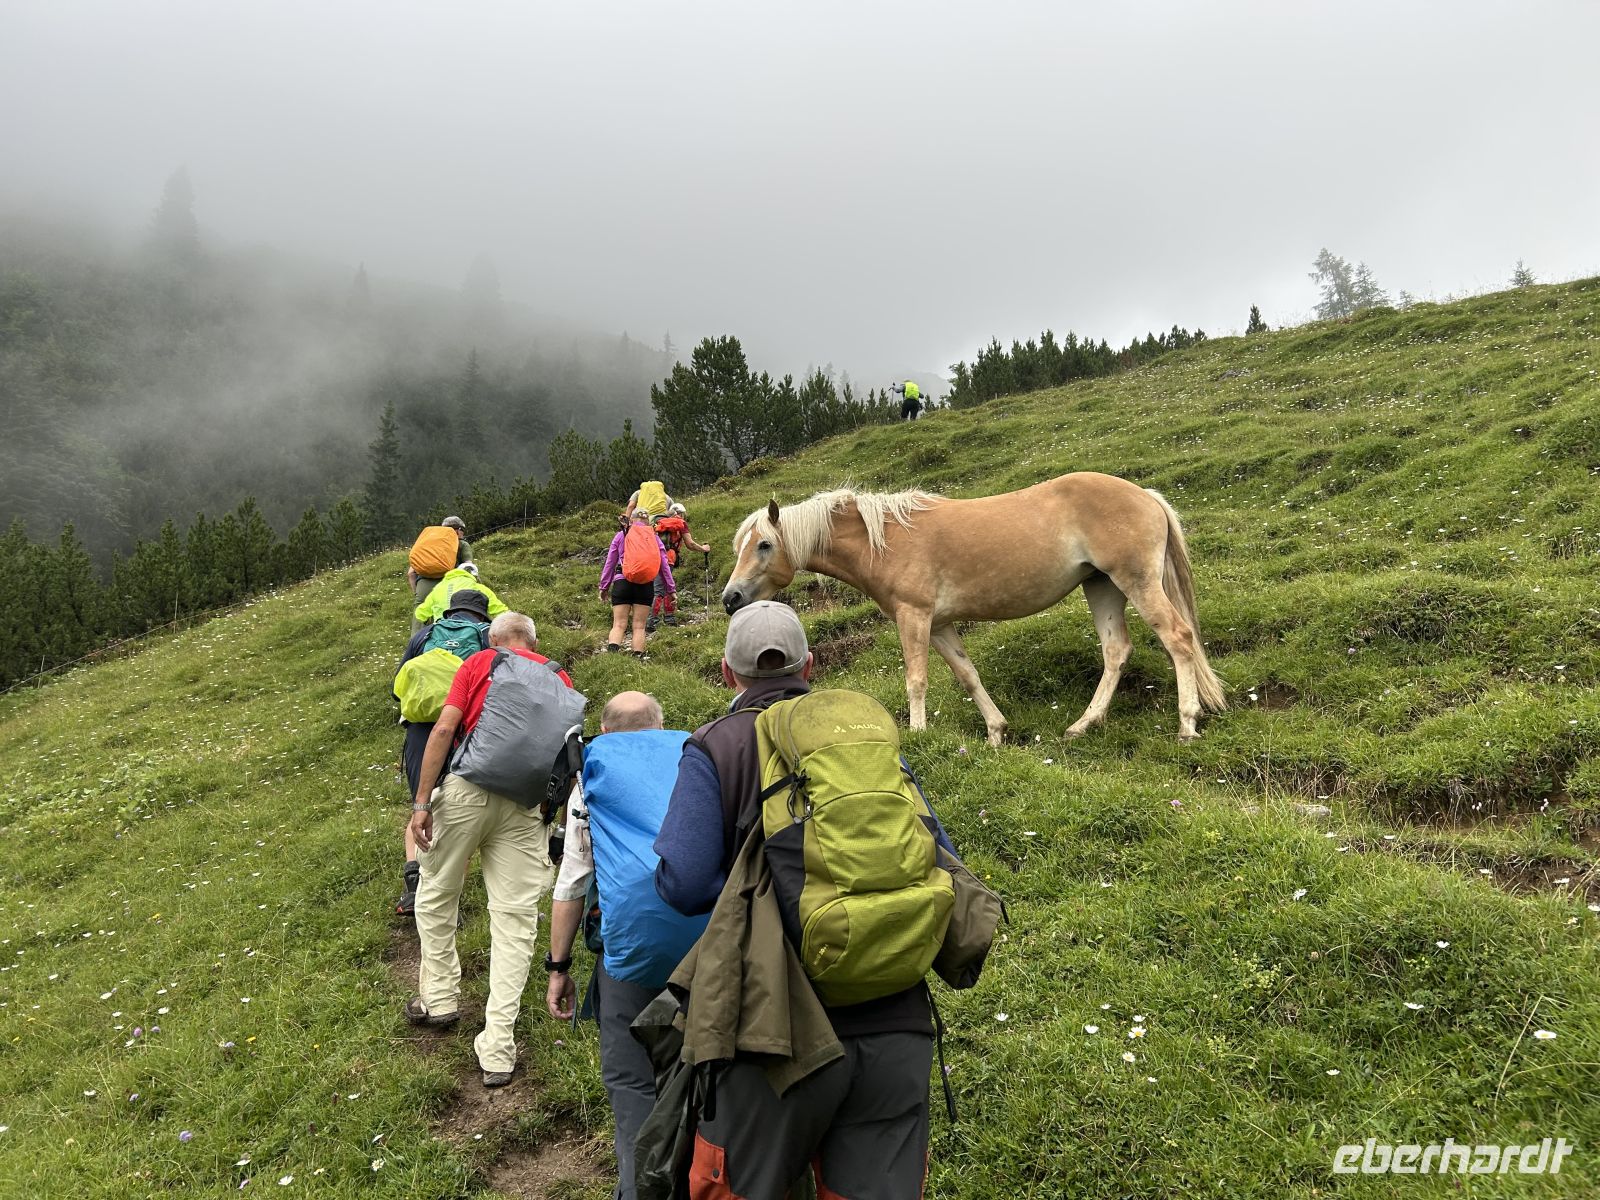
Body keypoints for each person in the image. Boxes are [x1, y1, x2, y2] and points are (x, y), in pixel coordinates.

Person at [651, 601, 939, 1200]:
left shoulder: (717, 746)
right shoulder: (865, 743)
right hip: (895, 1019)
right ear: (810, 665)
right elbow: (935, 854)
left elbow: (681, 882)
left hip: (769, 1033)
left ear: (728, 675)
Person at [546, 691, 710, 1200]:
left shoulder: (590, 776)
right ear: (662, 724)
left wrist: (558, 966)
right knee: (711, 1071)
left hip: (632, 953)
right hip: (712, 948)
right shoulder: (700, 759)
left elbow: (572, 884)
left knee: (632, 1080)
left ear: (606, 731)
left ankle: (640, 1189)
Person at [405, 611, 578, 1087]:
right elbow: (568, 755)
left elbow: (443, 731)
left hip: (465, 791)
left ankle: (439, 999)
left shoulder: (480, 661)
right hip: (525, 806)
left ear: (493, 637)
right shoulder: (557, 674)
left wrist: (422, 801)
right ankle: (498, 1047)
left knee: (438, 893)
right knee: (515, 919)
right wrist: (556, 819)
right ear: (533, 640)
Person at [391, 587, 493, 916]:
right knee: (453, 810)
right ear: (482, 615)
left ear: (450, 611)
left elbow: (399, 683)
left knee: (421, 801)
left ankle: (413, 880)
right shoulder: (484, 635)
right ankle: (446, 900)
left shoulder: (424, 635)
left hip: (420, 728)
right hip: (461, 727)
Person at [598, 513, 675, 657]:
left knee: (619, 624)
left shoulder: (621, 535)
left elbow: (610, 563)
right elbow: (664, 566)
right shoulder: (654, 538)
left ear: (631, 520)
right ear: (648, 522)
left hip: (622, 582)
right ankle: (638, 659)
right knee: (639, 626)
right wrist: (671, 589)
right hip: (645, 585)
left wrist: (604, 587)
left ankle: (612, 658)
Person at [646, 502, 709, 632]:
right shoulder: (680, 524)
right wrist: (703, 549)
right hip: (668, 558)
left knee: (660, 588)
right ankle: (655, 621)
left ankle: (663, 619)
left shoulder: (658, 524)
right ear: (680, 513)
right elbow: (690, 544)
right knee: (662, 589)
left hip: (652, 558)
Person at [407, 516, 472, 633]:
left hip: (423, 586)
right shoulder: (461, 544)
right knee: (450, 613)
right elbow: (469, 567)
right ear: (457, 530)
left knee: (420, 617)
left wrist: (417, 595)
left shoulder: (428, 544)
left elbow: (411, 573)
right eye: (463, 530)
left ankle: (416, 647)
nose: (463, 534)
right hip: (449, 586)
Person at [414, 561, 509, 627]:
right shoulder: (476, 587)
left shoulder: (438, 588)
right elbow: (499, 610)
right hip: (469, 628)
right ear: (474, 576)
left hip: (441, 630)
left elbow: (420, 613)